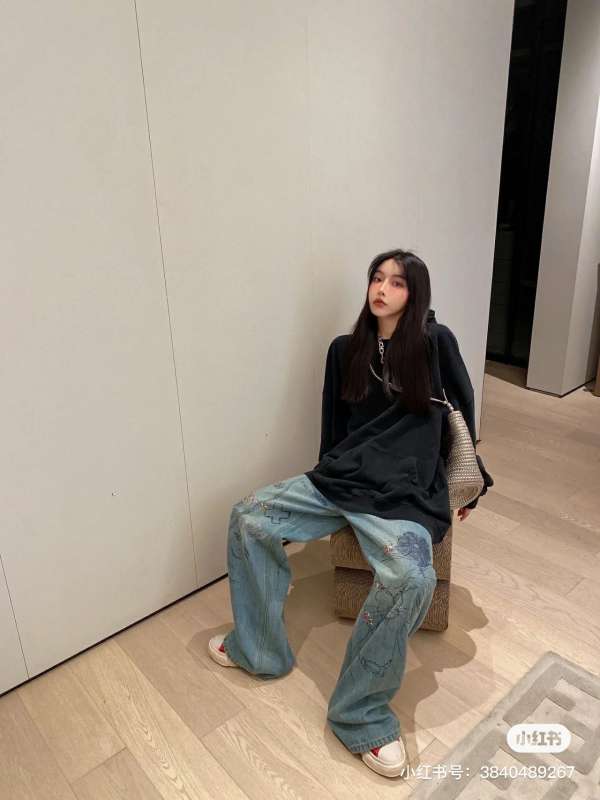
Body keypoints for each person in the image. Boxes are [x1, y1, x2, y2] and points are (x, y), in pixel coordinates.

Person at [208, 248, 493, 779]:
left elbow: (462, 411)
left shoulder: (435, 343)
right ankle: (258, 650)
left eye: (397, 283)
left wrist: (471, 487)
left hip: (405, 492)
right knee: (248, 516)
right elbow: (333, 422)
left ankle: (360, 714)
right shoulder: (345, 349)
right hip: (344, 478)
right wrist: (324, 478)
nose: (382, 289)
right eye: (376, 278)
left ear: (415, 294)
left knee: (412, 577)